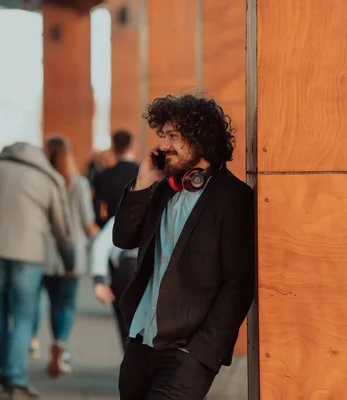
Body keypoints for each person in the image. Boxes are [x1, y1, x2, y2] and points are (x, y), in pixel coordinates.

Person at [113, 94, 255, 399]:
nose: (164, 145)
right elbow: (124, 238)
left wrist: (203, 351)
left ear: (201, 139)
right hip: (141, 342)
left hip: (186, 355)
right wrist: (142, 183)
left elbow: (238, 284)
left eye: (174, 136)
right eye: (163, 136)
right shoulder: (163, 189)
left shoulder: (234, 200)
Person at [0, 142, 74, 399]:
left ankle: (4, 370)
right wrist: (69, 261)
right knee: (22, 315)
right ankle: (16, 379)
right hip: (27, 255)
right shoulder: (47, 177)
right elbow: (63, 229)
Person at [31, 137, 99, 378]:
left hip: (46, 253)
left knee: (52, 303)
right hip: (73, 253)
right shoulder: (79, 184)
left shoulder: (41, 182)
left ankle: (50, 344)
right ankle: (61, 344)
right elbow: (86, 220)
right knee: (67, 304)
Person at [90, 216, 137, 350]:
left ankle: (130, 361)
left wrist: (99, 280)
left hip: (127, 268)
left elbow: (100, 244)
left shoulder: (124, 216)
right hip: (153, 269)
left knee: (127, 326)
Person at [93, 130, 139, 227]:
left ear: (113, 148)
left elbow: (96, 207)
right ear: (132, 146)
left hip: (113, 227)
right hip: (139, 228)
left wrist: (103, 225)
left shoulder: (103, 176)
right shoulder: (141, 173)